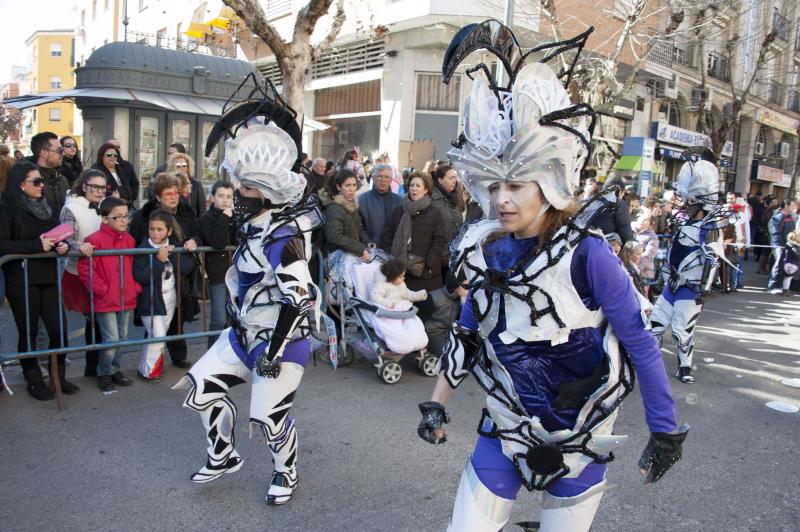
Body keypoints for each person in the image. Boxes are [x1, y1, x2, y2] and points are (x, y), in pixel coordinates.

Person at [417, 24, 684, 531]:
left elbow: (640, 343)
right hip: (506, 428)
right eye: (494, 185)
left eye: (517, 184)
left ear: (550, 178)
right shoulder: (487, 251)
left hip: (582, 438)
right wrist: (435, 405)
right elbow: (468, 334)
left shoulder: (589, 255)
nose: (502, 199)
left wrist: (666, 429)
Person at [174, 108, 322, 506]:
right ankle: (224, 454)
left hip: (280, 343)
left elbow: (301, 297)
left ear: (267, 194)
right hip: (243, 334)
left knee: (270, 420)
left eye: (245, 189)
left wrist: (272, 354)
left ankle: (286, 470)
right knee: (202, 390)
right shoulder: (254, 225)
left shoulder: (283, 236)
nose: (237, 194)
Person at [649, 156, 730, 384]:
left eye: (692, 201)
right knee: (654, 326)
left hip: (690, 288)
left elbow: (714, 261)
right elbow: (673, 253)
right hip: (672, 285)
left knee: (681, 331)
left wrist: (703, 287)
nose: (687, 203)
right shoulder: (683, 224)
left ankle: (685, 366)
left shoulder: (709, 229)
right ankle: (651, 363)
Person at [0, 161, 76, 400]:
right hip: (21, 278)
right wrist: (36, 245)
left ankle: (58, 377)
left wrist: (62, 245)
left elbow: (56, 234)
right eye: (36, 181)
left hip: (47, 275)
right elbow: (3, 244)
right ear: (20, 184)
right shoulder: (7, 209)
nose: (41, 185)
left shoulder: (45, 206)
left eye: (41, 180)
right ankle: (33, 380)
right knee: (29, 332)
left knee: (59, 329)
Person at [130, 172, 200, 369]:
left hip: (179, 271)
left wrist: (194, 240)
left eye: (176, 192)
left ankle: (178, 356)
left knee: (177, 317)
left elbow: (196, 232)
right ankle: (150, 366)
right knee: (154, 323)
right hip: (153, 275)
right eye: (168, 193)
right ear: (158, 196)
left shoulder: (186, 212)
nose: (173, 196)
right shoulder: (143, 217)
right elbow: (136, 244)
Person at [78, 197, 141, 393]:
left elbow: (135, 267)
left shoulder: (129, 240)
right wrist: (102, 290)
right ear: (105, 219)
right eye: (118, 217)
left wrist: (134, 288)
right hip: (106, 298)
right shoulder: (94, 240)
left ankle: (114, 369)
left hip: (126, 296)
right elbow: (86, 269)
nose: (124, 220)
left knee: (122, 337)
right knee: (111, 338)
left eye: (126, 216)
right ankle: (104, 372)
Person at [133, 209, 194, 381]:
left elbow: (186, 269)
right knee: (158, 335)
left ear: (169, 231)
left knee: (158, 335)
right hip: (151, 300)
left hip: (170, 298)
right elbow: (142, 277)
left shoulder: (174, 247)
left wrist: (185, 249)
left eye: (160, 229)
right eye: (152, 229)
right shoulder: (143, 249)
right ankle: (149, 371)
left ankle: (145, 367)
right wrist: (159, 260)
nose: (155, 233)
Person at [60, 169, 107, 377]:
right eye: (95, 186)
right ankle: (92, 367)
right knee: (93, 320)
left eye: (103, 187)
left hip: (104, 271)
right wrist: (79, 247)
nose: (99, 191)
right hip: (80, 272)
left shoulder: (105, 206)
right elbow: (65, 238)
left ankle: (102, 367)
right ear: (84, 186)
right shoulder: (72, 208)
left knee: (103, 320)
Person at [380, 172, 447, 297]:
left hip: (425, 273)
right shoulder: (399, 210)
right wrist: (393, 258)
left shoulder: (434, 213)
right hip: (400, 273)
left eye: (418, 186)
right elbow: (387, 235)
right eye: (411, 185)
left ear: (426, 189)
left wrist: (428, 263)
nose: (414, 189)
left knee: (424, 310)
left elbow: (440, 240)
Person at [198, 180, 236, 348]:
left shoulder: (235, 217)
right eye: (220, 196)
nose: (225, 200)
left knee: (233, 316)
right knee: (219, 318)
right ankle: (212, 351)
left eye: (229, 197)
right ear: (212, 197)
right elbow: (218, 242)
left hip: (235, 273)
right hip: (218, 274)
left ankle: (229, 349)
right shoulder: (206, 219)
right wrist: (224, 217)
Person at [323, 170, 373, 259]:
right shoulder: (333, 208)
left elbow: (359, 229)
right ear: (339, 187)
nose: (352, 189)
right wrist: (360, 249)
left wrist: (368, 243)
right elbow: (334, 237)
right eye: (347, 185)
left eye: (354, 185)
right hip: (339, 256)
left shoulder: (352, 204)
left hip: (352, 253)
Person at [30, 131, 70, 221]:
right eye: (59, 150)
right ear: (44, 153)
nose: (63, 154)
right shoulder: (29, 181)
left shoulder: (62, 179)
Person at [358, 162, 402, 244]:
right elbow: (359, 227)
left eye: (387, 177)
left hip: (393, 250)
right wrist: (369, 243)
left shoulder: (400, 201)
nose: (383, 180)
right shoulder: (362, 200)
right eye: (379, 176)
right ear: (373, 178)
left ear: (391, 180)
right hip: (370, 250)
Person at [767, 198, 798, 293]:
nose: (794, 207)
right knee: (778, 265)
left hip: (789, 246)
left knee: (785, 266)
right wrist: (778, 246)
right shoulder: (778, 217)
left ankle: (782, 286)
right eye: (792, 205)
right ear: (786, 206)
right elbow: (775, 233)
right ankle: (773, 286)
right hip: (780, 246)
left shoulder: (791, 217)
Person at [590, 175, 634, 243]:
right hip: (607, 246)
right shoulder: (619, 204)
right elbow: (625, 233)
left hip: (589, 244)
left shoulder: (591, 201)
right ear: (621, 191)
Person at [168, 152, 206, 218]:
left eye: (184, 165)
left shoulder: (196, 184)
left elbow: (202, 208)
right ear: (173, 167)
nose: (181, 168)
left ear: (188, 167)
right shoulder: (169, 184)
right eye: (178, 166)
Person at [106, 138, 139, 205]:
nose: (115, 149)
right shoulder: (99, 167)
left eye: (117, 147)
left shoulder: (127, 166)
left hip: (126, 205)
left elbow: (135, 184)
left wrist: (130, 198)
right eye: (111, 147)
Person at [635, 213, 660, 297]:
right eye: (642, 218)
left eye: (646, 220)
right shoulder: (631, 231)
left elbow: (648, 255)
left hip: (643, 272)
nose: (642, 221)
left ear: (650, 224)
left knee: (642, 298)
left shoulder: (653, 237)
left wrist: (637, 268)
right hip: (630, 270)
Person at [775, 229, 800, 296]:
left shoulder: (786, 246)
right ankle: (785, 290)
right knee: (788, 278)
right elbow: (797, 256)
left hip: (785, 264)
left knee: (786, 278)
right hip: (793, 264)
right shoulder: (796, 247)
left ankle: (784, 289)